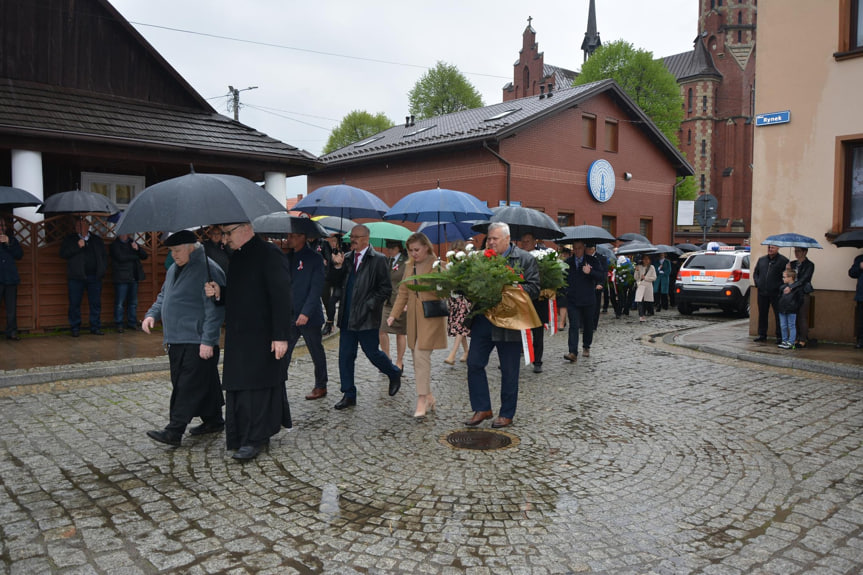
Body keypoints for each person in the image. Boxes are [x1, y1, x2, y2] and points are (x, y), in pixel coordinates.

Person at [204, 222, 293, 461]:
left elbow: (281, 296)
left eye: (228, 233)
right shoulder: (237, 256)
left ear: (245, 228)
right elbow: (241, 293)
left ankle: (256, 438)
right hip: (238, 335)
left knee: (258, 388)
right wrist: (220, 292)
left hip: (262, 335)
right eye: (223, 234)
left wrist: (281, 335)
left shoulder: (269, 253)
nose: (224, 239)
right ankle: (240, 434)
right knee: (239, 386)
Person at [142, 230, 226, 446]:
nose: (174, 255)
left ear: (191, 247)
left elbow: (215, 309)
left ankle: (174, 430)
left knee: (186, 386)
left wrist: (208, 341)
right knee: (203, 381)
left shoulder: (208, 269)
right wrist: (152, 314)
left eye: (177, 250)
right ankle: (214, 419)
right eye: (171, 251)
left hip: (197, 339)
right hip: (176, 339)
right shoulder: (173, 269)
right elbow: (164, 296)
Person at [464, 222, 540, 429]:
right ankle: (482, 408)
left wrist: (510, 287)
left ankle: (506, 413)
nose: (490, 242)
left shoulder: (525, 259)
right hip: (483, 320)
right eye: (489, 238)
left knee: (509, 370)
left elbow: (534, 288)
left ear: (507, 239)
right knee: (474, 363)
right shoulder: (480, 259)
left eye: (494, 238)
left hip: (510, 322)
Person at [329, 224, 402, 410]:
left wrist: (369, 305)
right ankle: (349, 393)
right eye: (352, 236)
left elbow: (385, 289)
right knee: (345, 356)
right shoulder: (345, 258)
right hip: (346, 316)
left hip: (367, 318)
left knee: (372, 353)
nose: (352, 239)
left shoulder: (378, 260)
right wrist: (337, 266)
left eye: (356, 236)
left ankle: (393, 373)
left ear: (366, 239)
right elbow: (334, 283)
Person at [386, 232, 448, 418]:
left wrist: (439, 282)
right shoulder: (409, 266)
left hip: (430, 316)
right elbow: (402, 292)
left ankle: (421, 399)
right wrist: (394, 314)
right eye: (410, 250)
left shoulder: (438, 265)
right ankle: (428, 395)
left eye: (417, 250)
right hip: (413, 317)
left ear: (426, 247)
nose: (413, 253)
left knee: (421, 355)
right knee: (416, 357)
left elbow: (446, 291)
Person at [282, 230, 329, 401]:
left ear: (303, 237)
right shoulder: (287, 257)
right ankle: (279, 385)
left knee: (316, 351)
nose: (289, 239)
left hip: (309, 316)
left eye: (293, 236)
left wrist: (305, 312)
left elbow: (316, 288)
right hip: (290, 314)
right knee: (284, 352)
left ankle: (321, 385)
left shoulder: (314, 258)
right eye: (288, 236)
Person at [60, 216, 107, 336]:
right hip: (76, 277)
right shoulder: (70, 239)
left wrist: (101, 271)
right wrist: (77, 246)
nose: (78, 228)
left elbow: (103, 256)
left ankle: (95, 326)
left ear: (87, 227)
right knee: (75, 303)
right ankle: (75, 327)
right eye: (77, 226)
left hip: (94, 277)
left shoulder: (96, 240)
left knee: (95, 303)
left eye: (81, 226)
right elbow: (63, 254)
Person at [563, 240, 604, 362]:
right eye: (574, 248)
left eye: (579, 248)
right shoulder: (568, 262)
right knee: (574, 325)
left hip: (588, 299)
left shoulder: (592, 261)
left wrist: (590, 272)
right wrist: (565, 290)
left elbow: (601, 276)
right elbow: (563, 277)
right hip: (573, 299)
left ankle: (586, 346)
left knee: (587, 324)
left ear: (584, 248)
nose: (577, 251)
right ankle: (572, 352)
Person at [517, 232, 546, 373]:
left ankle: (538, 361)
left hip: (538, 300)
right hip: (521, 299)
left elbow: (546, 277)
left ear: (535, 241)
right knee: (516, 331)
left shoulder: (543, 257)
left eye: (527, 241)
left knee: (538, 333)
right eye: (522, 241)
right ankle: (513, 358)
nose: (524, 244)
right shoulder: (517, 257)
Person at [109, 233, 148, 332]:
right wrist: (135, 255)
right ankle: (119, 324)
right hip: (121, 277)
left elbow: (144, 256)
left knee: (133, 302)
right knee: (120, 303)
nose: (125, 235)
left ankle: (132, 322)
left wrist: (137, 249)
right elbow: (121, 258)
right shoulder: (115, 245)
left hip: (133, 277)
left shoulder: (132, 243)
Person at [380, 239, 408, 371]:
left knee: (400, 333)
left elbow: (409, 283)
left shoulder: (406, 262)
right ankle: (386, 358)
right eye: (387, 247)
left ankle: (399, 362)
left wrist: (407, 302)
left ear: (398, 248)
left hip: (401, 301)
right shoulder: (388, 261)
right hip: (387, 301)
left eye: (391, 248)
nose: (388, 250)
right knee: (381, 330)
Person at [753, 244, 789, 342]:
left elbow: (786, 276)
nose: (770, 249)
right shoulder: (762, 260)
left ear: (778, 248)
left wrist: (780, 287)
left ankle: (779, 336)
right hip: (762, 292)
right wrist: (758, 283)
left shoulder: (783, 261)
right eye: (769, 247)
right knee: (762, 314)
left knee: (778, 314)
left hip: (776, 293)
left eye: (772, 247)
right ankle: (762, 334)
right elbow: (756, 273)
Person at [444, 241, 470, 365]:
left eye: (457, 249)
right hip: (453, 299)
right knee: (459, 327)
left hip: (463, 298)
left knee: (460, 325)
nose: (455, 252)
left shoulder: (466, 264)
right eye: (453, 249)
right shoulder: (450, 264)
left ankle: (452, 355)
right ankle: (466, 351)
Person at [0, 217, 23, 340]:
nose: (1, 229)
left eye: (3, 226)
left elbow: (19, 255)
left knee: (11, 309)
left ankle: (11, 331)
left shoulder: (12, 240)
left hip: (10, 279)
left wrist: (8, 243)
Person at [787, 247, 815, 347]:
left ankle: (802, 339)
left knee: (802, 316)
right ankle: (795, 337)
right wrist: (788, 269)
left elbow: (804, 279)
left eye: (798, 251)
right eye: (795, 251)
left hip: (803, 292)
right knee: (794, 316)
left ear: (805, 252)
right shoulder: (793, 263)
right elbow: (788, 277)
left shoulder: (809, 265)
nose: (796, 253)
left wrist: (793, 286)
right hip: (793, 293)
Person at [319, 232, 343, 336]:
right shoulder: (332, 250)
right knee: (328, 301)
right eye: (331, 241)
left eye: (334, 241)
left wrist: (336, 262)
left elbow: (329, 261)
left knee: (330, 301)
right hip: (327, 277)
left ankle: (330, 323)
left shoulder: (342, 252)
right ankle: (329, 322)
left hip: (338, 281)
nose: (332, 243)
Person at [777, 268, 804, 349]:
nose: (783, 278)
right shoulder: (782, 287)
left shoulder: (797, 288)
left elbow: (800, 299)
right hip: (782, 309)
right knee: (783, 326)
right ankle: (784, 341)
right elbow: (779, 296)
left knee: (791, 325)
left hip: (792, 309)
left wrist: (795, 307)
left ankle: (791, 342)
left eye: (784, 277)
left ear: (791, 277)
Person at [585, 244, 607, 330]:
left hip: (596, 285)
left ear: (592, 249)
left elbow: (604, 273)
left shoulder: (601, 258)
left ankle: (593, 325)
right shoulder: (584, 258)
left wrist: (601, 283)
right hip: (586, 285)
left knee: (595, 306)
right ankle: (584, 325)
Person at [634, 254, 658, 321]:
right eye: (644, 259)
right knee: (639, 300)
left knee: (646, 301)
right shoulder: (639, 266)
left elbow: (654, 278)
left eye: (647, 259)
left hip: (648, 286)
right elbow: (636, 278)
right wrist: (636, 271)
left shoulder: (652, 267)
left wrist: (645, 278)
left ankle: (646, 312)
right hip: (640, 285)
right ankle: (641, 315)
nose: (646, 261)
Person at [849, 253, 863, 349]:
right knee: (861, 320)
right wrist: (860, 267)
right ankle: (861, 340)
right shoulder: (859, 259)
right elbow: (852, 273)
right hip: (861, 295)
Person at [556, 247, 572, 330]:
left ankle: (561, 323)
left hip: (565, 286)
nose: (564, 255)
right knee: (558, 306)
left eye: (566, 254)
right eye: (563, 254)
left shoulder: (570, 263)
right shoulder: (557, 262)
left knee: (563, 304)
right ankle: (564, 319)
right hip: (556, 285)